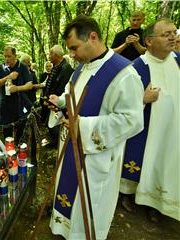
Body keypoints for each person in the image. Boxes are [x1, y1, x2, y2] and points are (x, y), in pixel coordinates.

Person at [48, 16, 144, 239]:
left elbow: (132, 120)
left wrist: (83, 125)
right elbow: (72, 94)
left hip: (95, 158)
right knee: (68, 199)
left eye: (74, 48)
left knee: (88, 206)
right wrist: (61, 101)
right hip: (71, 149)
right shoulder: (81, 69)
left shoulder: (124, 73)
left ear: (92, 37)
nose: (71, 54)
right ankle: (64, 229)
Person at [121, 19, 179, 223]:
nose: (172, 37)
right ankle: (127, 194)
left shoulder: (178, 61)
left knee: (165, 162)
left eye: (174, 32)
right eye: (166, 34)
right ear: (149, 41)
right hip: (146, 129)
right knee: (139, 160)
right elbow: (121, 105)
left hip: (173, 127)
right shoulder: (137, 67)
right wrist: (142, 99)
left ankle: (158, 201)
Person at [0, 46, 33, 141]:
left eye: (9, 56)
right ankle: (9, 151)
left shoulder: (22, 67)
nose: (7, 59)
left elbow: (30, 85)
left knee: (20, 131)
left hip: (20, 104)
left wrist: (17, 88)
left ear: (15, 56)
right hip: (6, 104)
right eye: (5, 56)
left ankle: (19, 151)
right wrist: (9, 77)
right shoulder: (2, 67)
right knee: (7, 133)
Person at [43, 45, 74, 147]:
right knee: (50, 123)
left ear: (55, 55)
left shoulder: (66, 68)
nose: (49, 56)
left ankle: (59, 143)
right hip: (53, 101)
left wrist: (56, 101)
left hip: (60, 103)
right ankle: (55, 142)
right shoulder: (56, 67)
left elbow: (63, 88)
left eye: (50, 53)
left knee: (56, 124)